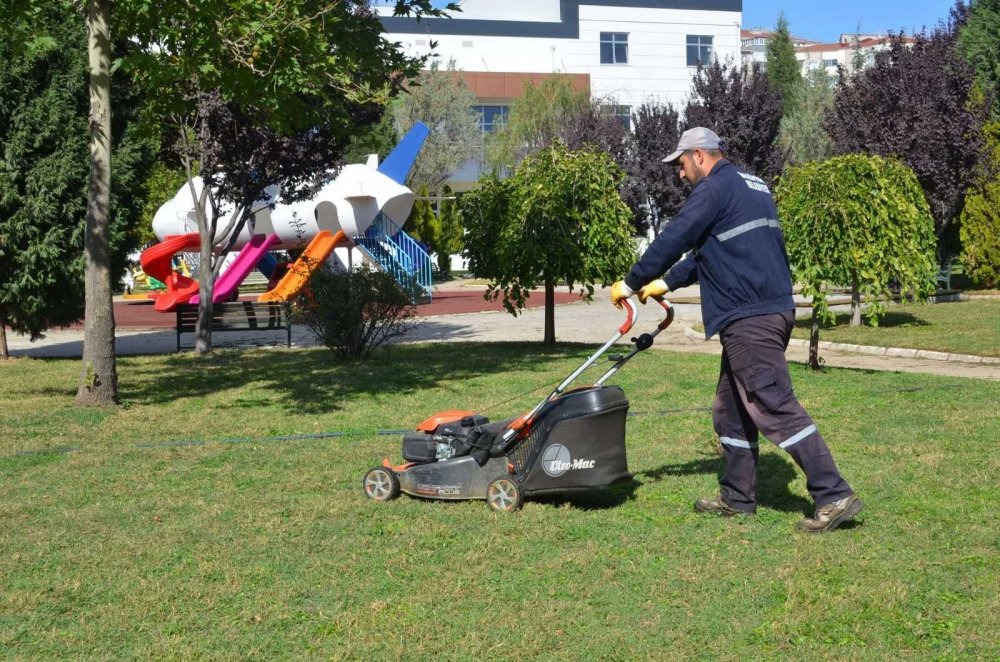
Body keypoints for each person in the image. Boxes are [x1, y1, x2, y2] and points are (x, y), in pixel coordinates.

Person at [610, 127, 863, 533]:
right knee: (729, 412)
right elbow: (711, 250)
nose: (679, 174)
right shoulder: (752, 185)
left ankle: (833, 494)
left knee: (774, 405)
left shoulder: (713, 189)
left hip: (751, 318)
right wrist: (666, 282)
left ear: (699, 156)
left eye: (680, 164)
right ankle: (737, 497)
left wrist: (632, 279)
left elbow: (677, 236)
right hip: (766, 310)